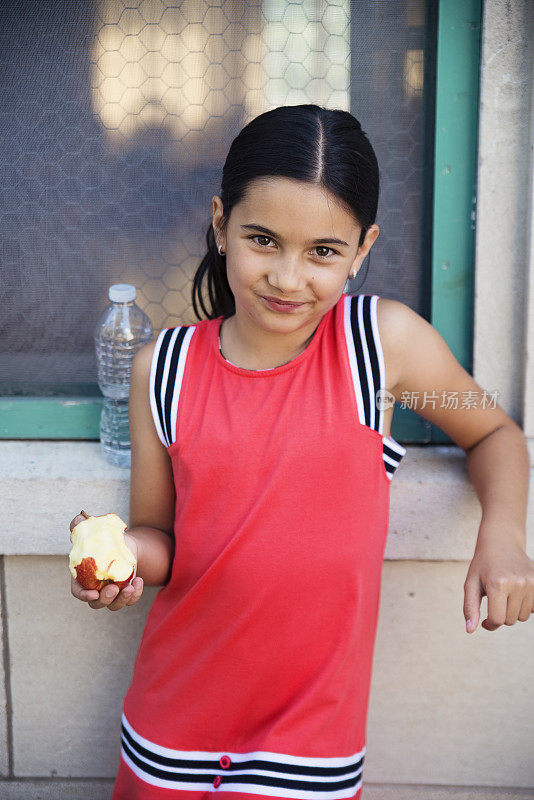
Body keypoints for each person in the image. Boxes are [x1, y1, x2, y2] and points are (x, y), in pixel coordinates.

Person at [69, 104, 533, 800]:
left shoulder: (379, 346)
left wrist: (502, 537)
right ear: (221, 224)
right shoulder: (159, 369)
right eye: (262, 239)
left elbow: (492, 429)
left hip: (309, 749)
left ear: (362, 247)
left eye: (323, 251)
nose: (288, 278)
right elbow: (162, 537)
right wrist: (122, 562)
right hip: (168, 734)